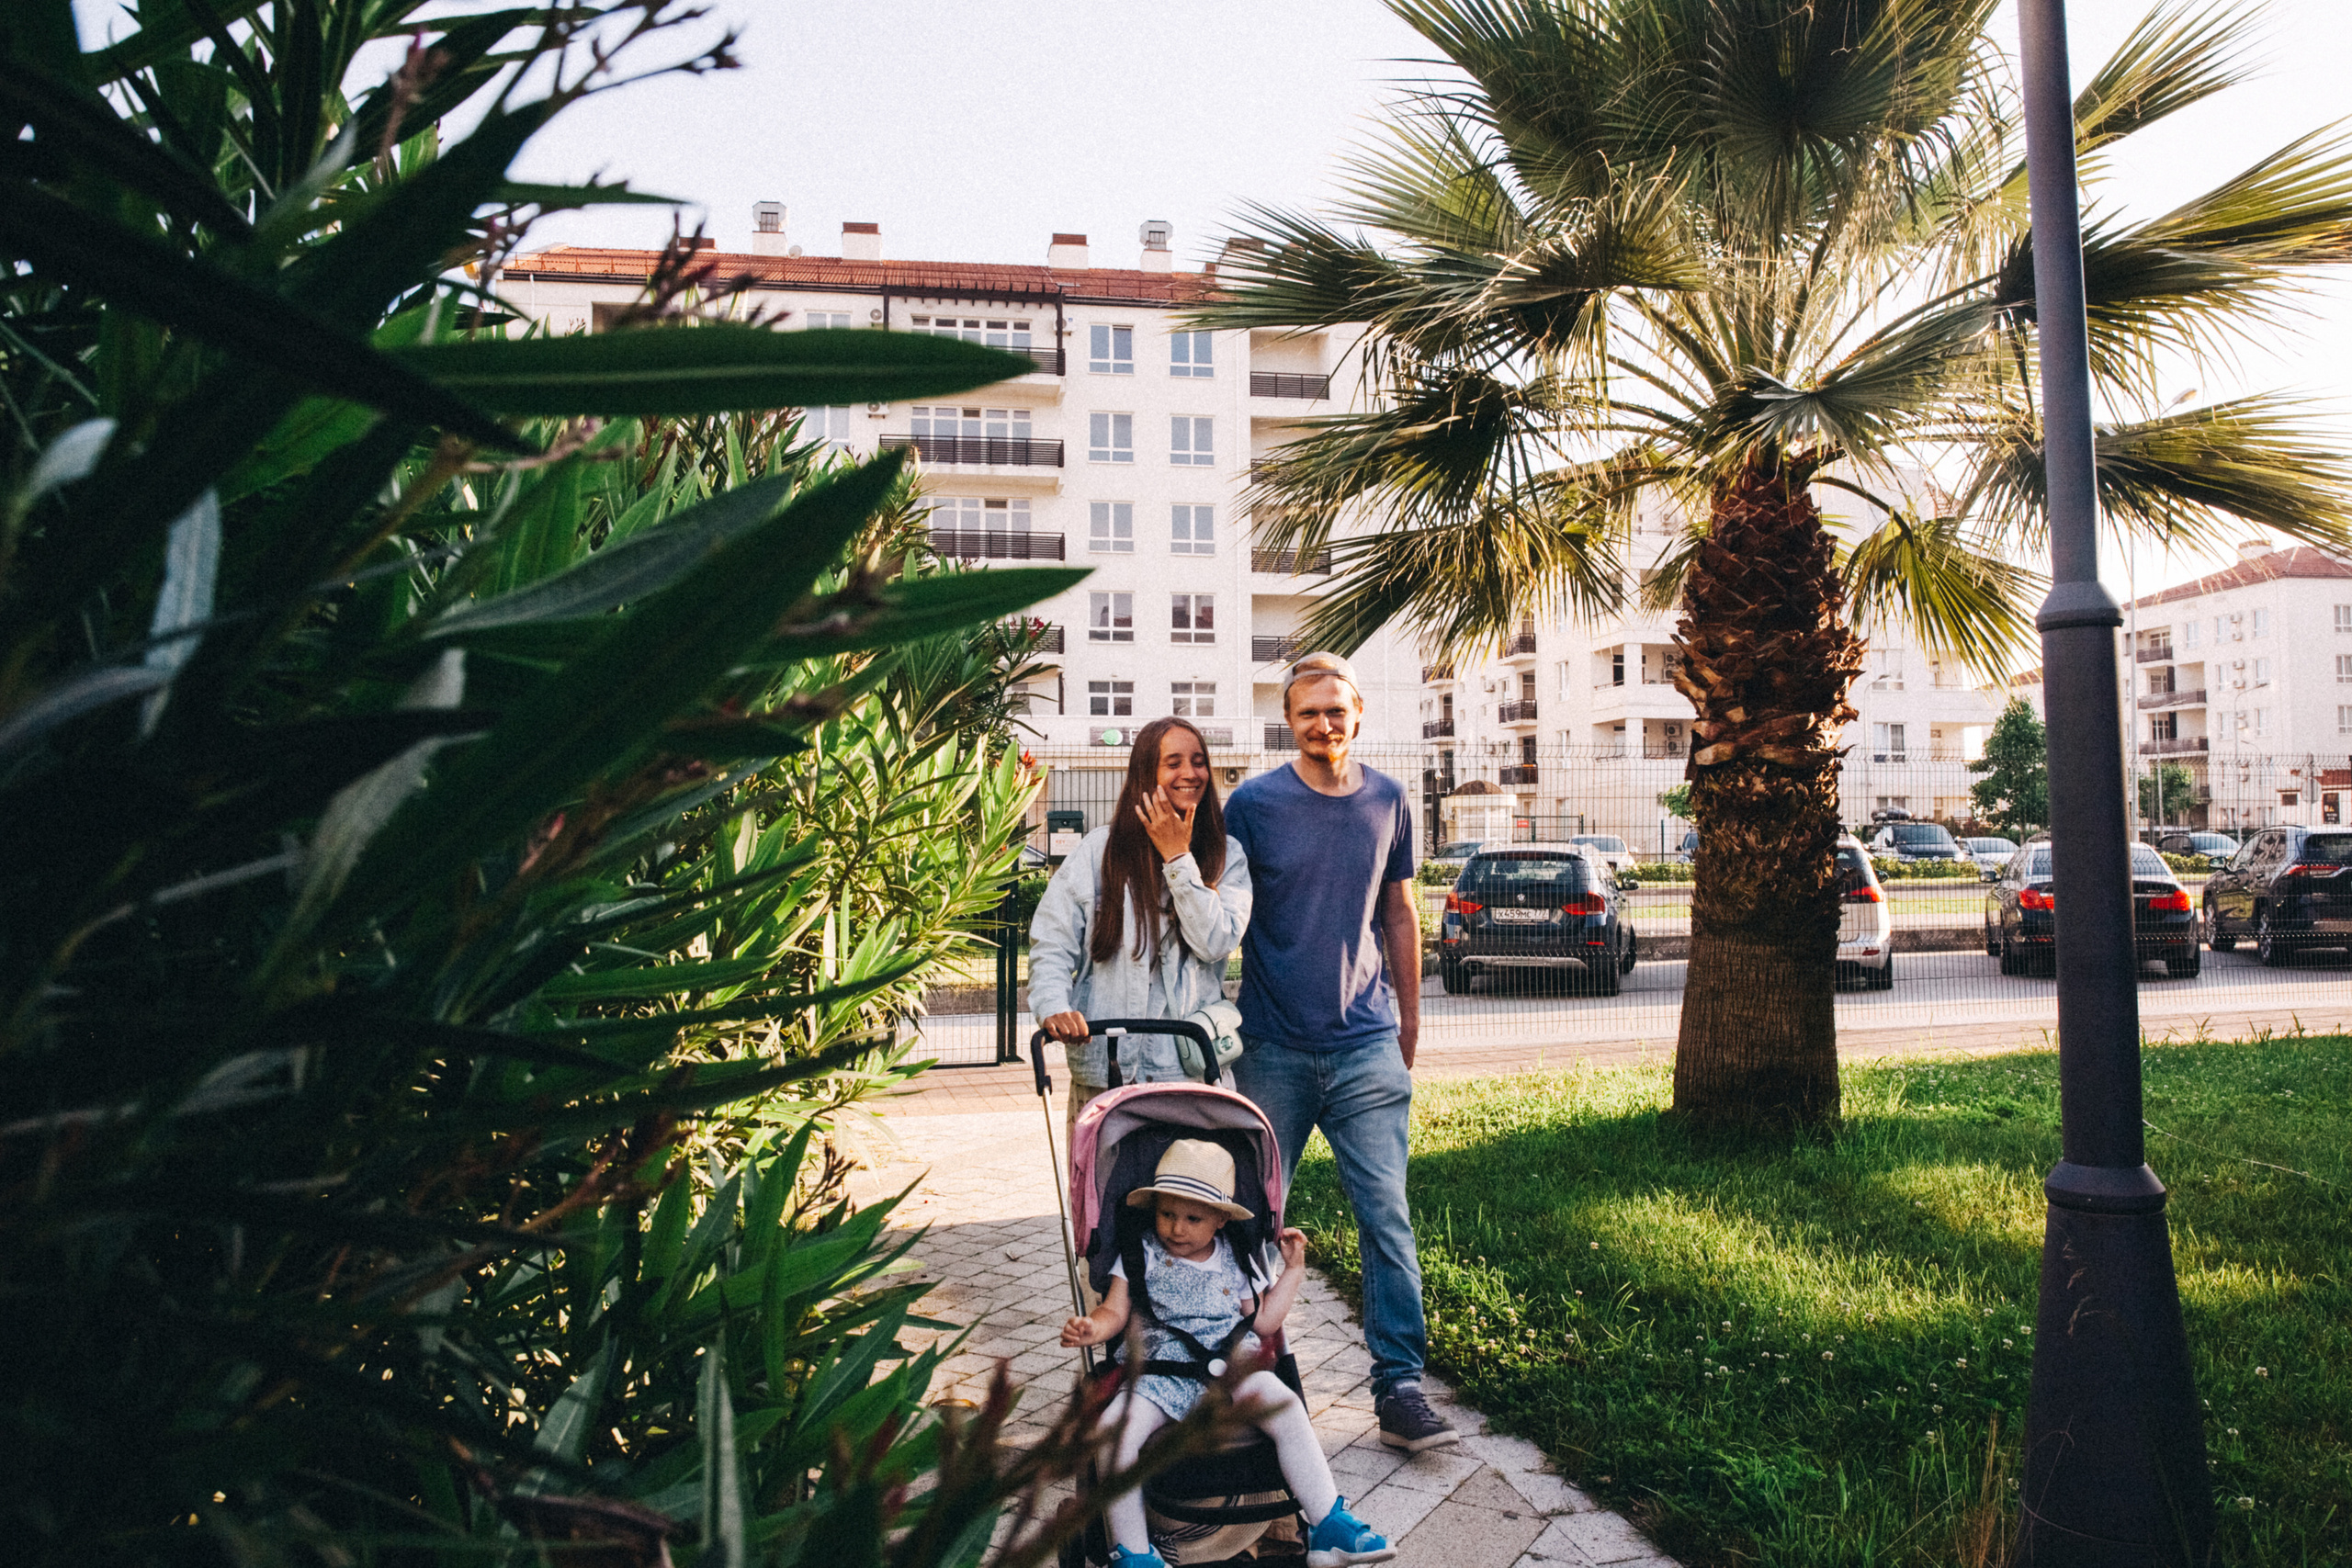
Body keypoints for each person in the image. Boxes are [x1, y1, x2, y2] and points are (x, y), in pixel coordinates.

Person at [1225, 652, 1454, 1452]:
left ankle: (1399, 1388)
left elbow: (1399, 913)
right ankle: (1247, 1377)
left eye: (1335, 709)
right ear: (1289, 720)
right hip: (1271, 1047)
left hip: (1365, 1046)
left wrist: (1410, 1019)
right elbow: (1220, 913)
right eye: (1307, 712)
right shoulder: (1251, 805)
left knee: (1386, 1219)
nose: (1322, 723)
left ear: (1358, 714)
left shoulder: (1390, 800)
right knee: (1251, 1219)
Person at [1060, 1141, 1395, 1568]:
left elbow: (1262, 1323)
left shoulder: (1235, 1257)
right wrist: (1093, 1328)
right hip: (1160, 1370)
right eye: (1167, 1214)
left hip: (1232, 1363)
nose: (1176, 1229)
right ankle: (1134, 1552)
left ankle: (1327, 1524)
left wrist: (1292, 1271)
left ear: (1220, 1220)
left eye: (1193, 1218)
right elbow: (1115, 1310)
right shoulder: (1139, 1253)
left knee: (1287, 1406)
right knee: (1114, 1431)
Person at [1029, 716, 1251, 1127]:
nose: (1190, 773)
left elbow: (1216, 941)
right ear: (1146, 774)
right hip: (1107, 1071)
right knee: (1102, 1192)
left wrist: (1178, 859)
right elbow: (1053, 942)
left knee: (1186, 1187)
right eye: (1174, 762)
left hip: (1189, 1074)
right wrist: (1053, 1006)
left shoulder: (1226, 855)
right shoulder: (1099, 852)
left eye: (1199, 761)